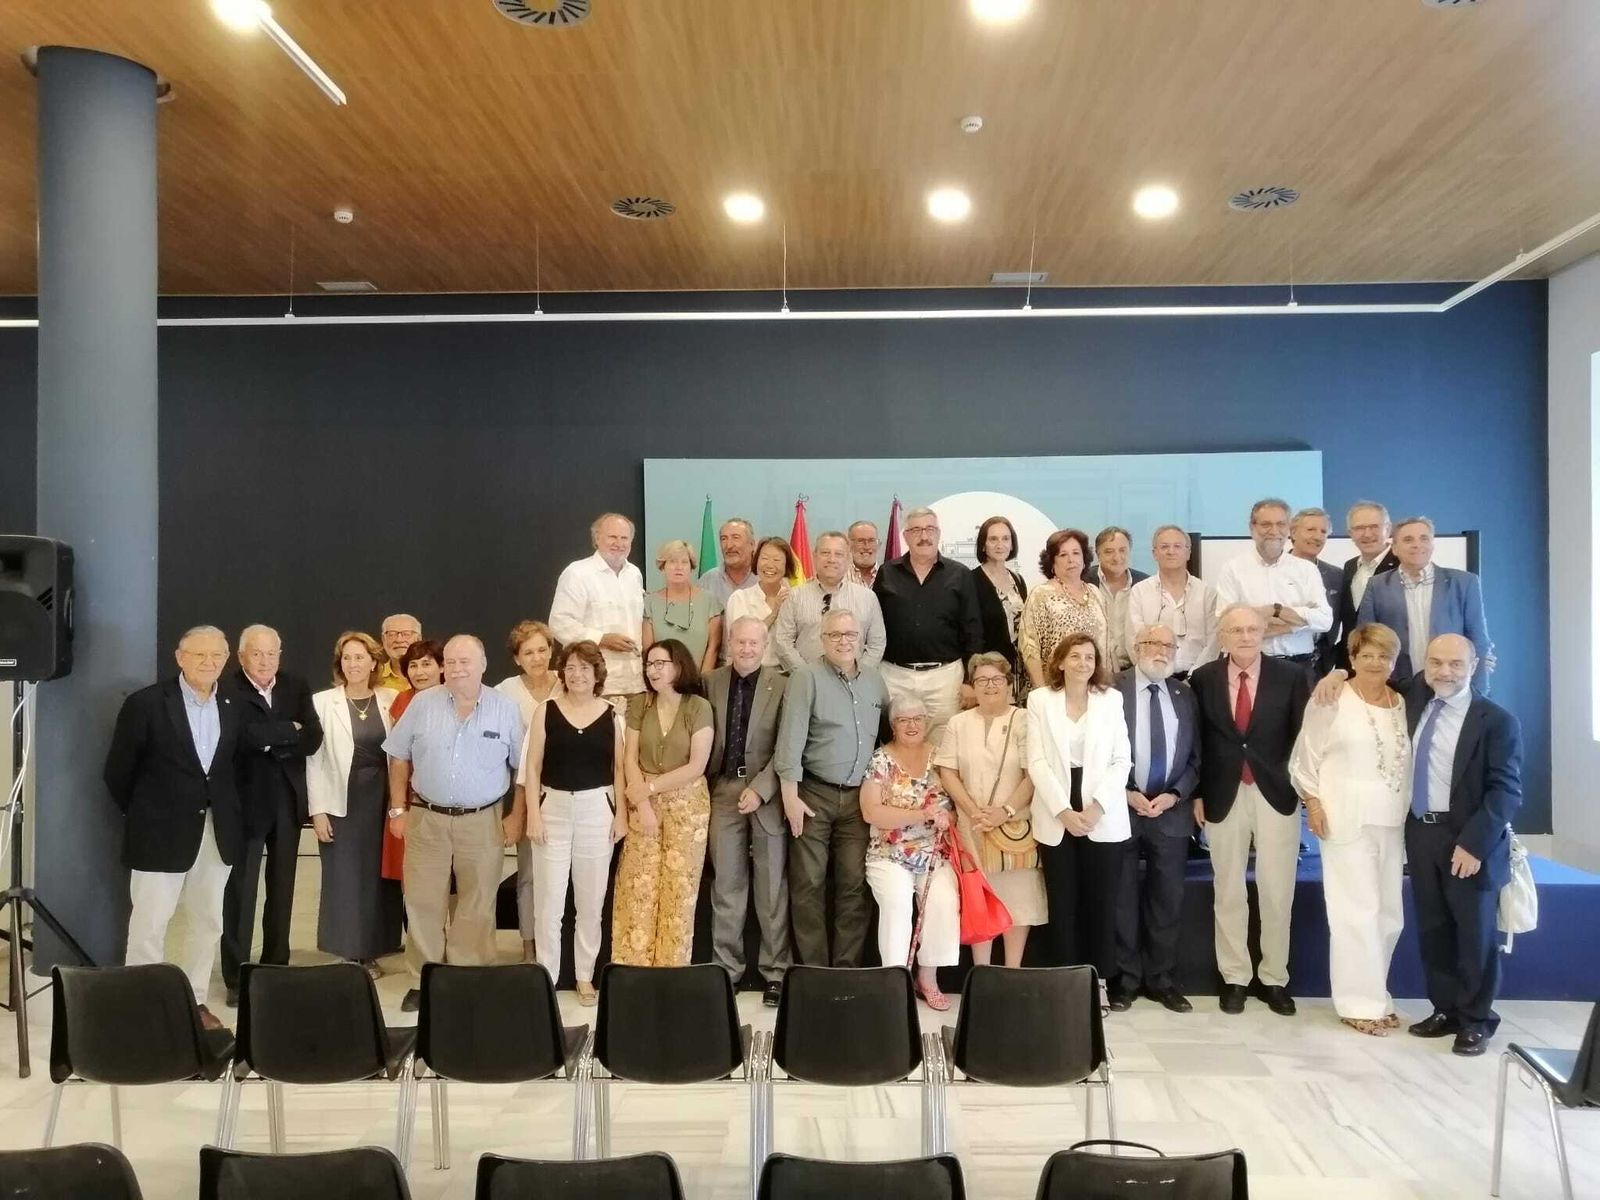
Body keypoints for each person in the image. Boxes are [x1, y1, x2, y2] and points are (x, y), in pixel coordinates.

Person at [1317, 632, 1523, 1056]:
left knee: (1474, 932)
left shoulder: (1497, 721)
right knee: (1433, 927)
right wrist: (1336, 672)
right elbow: (1368, 672)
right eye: (1436, 663)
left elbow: (1506, 791)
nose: (1444, 672)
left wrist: (1474, 844)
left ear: (1475, 666)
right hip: (1420, 832)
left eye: (1455, 664)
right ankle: (1445, 1008)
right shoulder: (1413, 697)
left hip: (1469, 839)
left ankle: (1476, 1020)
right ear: (1424, 665)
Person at [104, 625, 241, 1029]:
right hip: (158, 833)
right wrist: (148, 813)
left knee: (208, 921)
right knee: (150, 922)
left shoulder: (232, 704)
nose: (209, 662)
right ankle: (142, 1004)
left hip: (217, 834)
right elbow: (117, 772)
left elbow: (230, 770)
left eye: (217, 655)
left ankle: (195, 1001)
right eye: (200, 655)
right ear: (179, 657)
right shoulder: (146, 704)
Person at [384, 634, 526, 1012]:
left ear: (483, 664)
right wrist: (397, 810)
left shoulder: (505, 709)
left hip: (483, 820)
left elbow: (523, 770)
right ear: (443, 665)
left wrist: (517, 815)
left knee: (477, 902)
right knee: (421, 900)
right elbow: (397, 757)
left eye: (467, 661)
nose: (458, 668)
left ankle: (469, 975)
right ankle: (422, 978)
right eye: (451, 661)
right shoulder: (421, 705)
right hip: (426, 818)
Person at [1291, 623, 1411, 1035]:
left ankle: (1378, 994)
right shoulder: (1331, 696)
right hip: (1345, 816)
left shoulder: (1401, 701)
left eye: (1384, 656)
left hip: (1392, 820)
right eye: (1367, 655)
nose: (1376, 663)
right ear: (1352, 659)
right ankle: (1358, 1003)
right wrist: (1313, 801)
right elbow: (1305, 756)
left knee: (1389, 915)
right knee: (1353, 912)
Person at [1191, 604, 1310, 1016]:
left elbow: (1303, 738)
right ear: (1222, 636)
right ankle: (1236, 977)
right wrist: (1198, 793)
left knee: (1278, 890)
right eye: (1235, 630)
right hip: (1223, 794)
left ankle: (1274, 978)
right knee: (1228, 890)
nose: (1244, 636)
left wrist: (1302, 789)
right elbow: (1199, 741)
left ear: (1265, 633)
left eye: (1252, 629)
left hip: (1275, 792)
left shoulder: (1292, 677)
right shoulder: (1203, 679)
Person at [773, 608, 889, 967]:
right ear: (822, 640)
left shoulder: (874, 680)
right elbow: (790, 739)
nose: (843, 641)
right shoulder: (806, 677)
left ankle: (846, 970)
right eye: (835, 635)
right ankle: (813, 970)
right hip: (813, 796)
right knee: (809, 884)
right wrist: (789, 796)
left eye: (850, 635)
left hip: (858, 800)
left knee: (854, 885)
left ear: (860, 639)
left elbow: (886, 736)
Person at [221, 624, 323, 1009]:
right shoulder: (228, 687)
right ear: (242, 655)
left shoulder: (295, 684)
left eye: (272, 654)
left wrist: (269, 736)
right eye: (257, 654)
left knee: (282, 890)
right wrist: (286, 732)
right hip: (244, 803)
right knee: (240, 893)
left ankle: (276, 964)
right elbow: (237, 737)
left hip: (286, 800)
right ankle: (237, 973)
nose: (266, 661)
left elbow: (313, 736)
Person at [521, 640, 627, 1006]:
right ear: (562, 672)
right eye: (570, 667)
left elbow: (618, 771)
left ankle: (584, 975)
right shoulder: (545, 711)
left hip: (598, 811)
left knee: (590, 901)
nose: (576, 674)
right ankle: (546, 976)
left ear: (597, 673)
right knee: (549, 901)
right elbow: (532, 767)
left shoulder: (614, 714)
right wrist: (533, 813)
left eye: (584, 668)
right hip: (553, 810)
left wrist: (621, 816)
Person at [1026, 632, 1133, 987]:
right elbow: (1036, 761)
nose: (1083, 663)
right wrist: (1062, 811)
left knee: (1101, 901)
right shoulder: (1040, 700)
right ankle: (1065, 983)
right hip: (1056, 808)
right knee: (1064, 901)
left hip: (1101, 809)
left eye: (1089, 657)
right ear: (1059, 661)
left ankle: (1100, 983)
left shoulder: (1111, 700)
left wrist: (1097, 808)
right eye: (1075, 656)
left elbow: (1122, 760)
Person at [1110, 624, 1200, 1013]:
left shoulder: (1185, 695)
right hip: (1121, 809)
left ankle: (1161, 980)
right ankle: (1125, 980)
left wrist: (1175, 794)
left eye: (1168, 644)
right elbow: (1100, 751)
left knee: (1168, 900)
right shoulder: (1111, 689)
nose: (1160, 651)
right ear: (1136, 647)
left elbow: (1197, 757)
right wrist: (1125, 792)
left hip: (1170, 812)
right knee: (1122, 900)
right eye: (1152, 643)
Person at [934, 652, 1042, 968]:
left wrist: (1004, 811)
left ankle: (1012, 972)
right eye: (981, 680)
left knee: (1018, 903)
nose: (989, 685)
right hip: (972, 826)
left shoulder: (1023, 719)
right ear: (973, 685)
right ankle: (982, 974)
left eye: (996, 679)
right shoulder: (958, 722)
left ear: (1009, 684)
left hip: (1014, 823)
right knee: (978, 900)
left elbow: (1032, 773)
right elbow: (948, 772)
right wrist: (972, 810)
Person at [704, 617, 792, 1005]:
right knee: (727, 884)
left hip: (767, 792)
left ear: (765, 644)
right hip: (723, 791)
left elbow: (788, 746)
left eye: (754, 643)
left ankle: (775, 972)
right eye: (740, 641)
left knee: (771, 887)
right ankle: (727, 970)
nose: (747, 649)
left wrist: (759, 790)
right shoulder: (712, 682)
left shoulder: (784, 684)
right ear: (730, 643)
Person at [613, 638, 715, 966]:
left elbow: (696, 766)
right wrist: (642, 803)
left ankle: (671, 970)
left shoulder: (698, 707)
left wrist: (651, 788)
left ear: (679, 665)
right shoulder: (639, 703)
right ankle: (632, 969)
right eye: (649, 664)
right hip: (643, 802)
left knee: (679, 891)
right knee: (637, 885)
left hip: (687, 807)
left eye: (661, 663)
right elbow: (629, 758)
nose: (653, 670)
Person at [307, 632, 403, 974]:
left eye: (360, 657)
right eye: (347, 658)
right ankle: (349, 950)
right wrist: (317, 811)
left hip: (383, 799)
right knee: (345, 876)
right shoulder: (322, 702)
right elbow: (314, 760)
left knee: (380, 875)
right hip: (340, 800)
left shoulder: (391, 698)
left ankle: (378, 945)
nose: (353, 664)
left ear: (374, 661)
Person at [862, 696, 960, 1010]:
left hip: (934, 852)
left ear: (927, 722)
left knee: (944, 901)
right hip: (889, 852)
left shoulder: (941, 757)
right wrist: (921, 815)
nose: (912, 725)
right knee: (897, 902)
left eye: (917, 718)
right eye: (904, 720)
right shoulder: (881, 759)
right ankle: (894, 980)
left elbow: (957, 803)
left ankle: (927, 978)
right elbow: (870, 812)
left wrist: (948, 817)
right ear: (894, 727)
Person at [874, 505, 983, 741]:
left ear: (939, 533)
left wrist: (970, 681)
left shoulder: (960, 573)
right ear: (905, 536)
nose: (924, 536)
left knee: (944, 744)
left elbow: (973, 630)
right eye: (915, 530)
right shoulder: (887, 572)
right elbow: (874, 626)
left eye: (929, 529)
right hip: (895, 675)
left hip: (944, 677)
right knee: (895, 741)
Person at [1356, 516, 1492, 691]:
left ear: (1432, 545)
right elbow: (1365, 639)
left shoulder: (1464, 583)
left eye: (1424, 538)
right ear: (1395, 548)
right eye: (1408, 540)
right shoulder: (1377, 585)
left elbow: (1478, 640)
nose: (1417, 545)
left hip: (1450, 685)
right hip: (1396, 687)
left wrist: (1479, 691)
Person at [496, 620, 562, 962]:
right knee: (530, 873)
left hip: (566, 788)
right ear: (517, 659)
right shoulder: (505, 692)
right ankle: (529, 945)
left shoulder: (567, 684)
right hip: (523, 792)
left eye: (542, 650)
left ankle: (561, 946)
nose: (537, 658)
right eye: (528, 652)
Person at [1213, 498, 1332, 668]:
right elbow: (1228, 625)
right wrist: (1297, 623)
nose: (1274, 530)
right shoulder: (1232, 569)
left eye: (1281, 524)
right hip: (1250, 665)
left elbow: (1324, 620)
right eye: (1266, 524)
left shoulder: (1306, 569)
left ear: (1288, 529)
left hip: (1300, 665)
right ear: (1252, 528)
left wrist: (1274, 611)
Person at [550, 512, 646, 706]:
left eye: (624, 538)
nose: (619, 543)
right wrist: (601, 639)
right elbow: (559, 623)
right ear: (597, 539)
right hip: (598, 686)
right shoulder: (577, 574)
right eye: (612, 537)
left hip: (637, 685)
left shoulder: (634, 574)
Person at [774, 530, 886, 672]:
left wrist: (858, 676)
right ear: (814, 557)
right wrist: (806, 676)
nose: (831, 559)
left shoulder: (868, 598)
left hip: (855, 686)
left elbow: (877, 643)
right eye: (825, 553)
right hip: (806, 683)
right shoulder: (795, 597)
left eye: (838, 554)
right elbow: (783, 641)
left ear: (848, 559)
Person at [381, 639, 444, 883]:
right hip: (409, 794)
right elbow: (397, 756)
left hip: (448, 795)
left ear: (441, 667)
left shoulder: (457, 697)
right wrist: (399, 808)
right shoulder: (402, 701)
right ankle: (419, 923)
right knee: (412, 870)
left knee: (449, 874)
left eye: (426, 664)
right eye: (413, 666)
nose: (419, 672)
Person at [1020, 528, 1107, 694]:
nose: (1071, 560)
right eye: (1063, 555)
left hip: (1092, 688)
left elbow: (1105, 644)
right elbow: (1029, 646)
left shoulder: (1095, 593)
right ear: (1052, 562)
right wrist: (1042, 692)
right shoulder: (1041, 594)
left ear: (1084, 558)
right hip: (1054, 688)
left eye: (1076, 553)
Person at [1126, 525, 1218, 678]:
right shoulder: (1140, 591)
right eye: (1164, 547)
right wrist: (1151, 675)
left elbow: (1214, 642)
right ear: (1154, 553)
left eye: (1177, 546)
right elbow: (1133, 640)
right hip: (1152, 678)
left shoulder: (1207, 593)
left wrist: (1195, 677)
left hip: (1199, 678)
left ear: (1188, 552)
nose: (1171, 551)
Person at [643, 539, 723, 677]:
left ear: (691, 567)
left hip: (699, 683)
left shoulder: (709, 601)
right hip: (661, 683)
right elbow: (648, 651)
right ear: (663, 566)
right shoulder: (650, 603)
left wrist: (702, 683)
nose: (678, 567)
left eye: (684, 562)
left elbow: (713, 647)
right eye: (672, 561)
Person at [1336, 501, 1398, 671]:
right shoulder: (1349, 567)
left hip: (1390, 665)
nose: (1367, 534)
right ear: (1350, 533)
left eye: (1374, 527)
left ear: (1388, 528)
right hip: (1353, 666)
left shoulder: (1403, 565)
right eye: (1359, 528)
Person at [969, 516, 1028, 690]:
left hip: (1021, 670)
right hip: (991, 674)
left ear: (1012, 544)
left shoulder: (1017, 579)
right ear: (983, 545)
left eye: (1005, 539)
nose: (1000, 544)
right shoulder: (971, 580)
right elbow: (970, 632)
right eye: (993, 539)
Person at [723, 536, 796, 668]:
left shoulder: (794, 598)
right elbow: (744, 638)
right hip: (749, 674)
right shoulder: (740, 598)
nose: (770, 565)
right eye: (765, 558)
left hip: (788, 674)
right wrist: (774, 613)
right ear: (756, 561)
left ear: (786, 566)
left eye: (777, 560)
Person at [1289, 507, 1344, 677]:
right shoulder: (1275, 570)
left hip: (1320, 666)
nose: (1317, 536)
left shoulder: (1337, 575)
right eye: (1310, 530)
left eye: (1323, 531)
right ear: (1293, 532)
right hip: (1282, 662)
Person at [1085, 526, 1147, 673]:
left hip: (1135, 670)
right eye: (1109, 551)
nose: (1117, 557)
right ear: (1098, 554)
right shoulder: (1084, 581)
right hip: (1094, 670)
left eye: (1122, 550)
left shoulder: (1145, 584)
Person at [699, 518, 759, 642]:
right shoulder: (707, 580)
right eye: (723, 539)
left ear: (752, 544)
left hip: (758, 659)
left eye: (735, 538)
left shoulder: (763, 580)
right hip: (717, 659)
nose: (729, 545)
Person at [377, 613, 423, 692]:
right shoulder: (374, 677)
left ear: (418, 639)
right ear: (383, 640)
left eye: (406, 634)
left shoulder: (432, 675)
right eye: (392, 634)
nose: (399, 640)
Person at [846, 520, 880, 588]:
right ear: (849, 545)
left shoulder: (890, 576)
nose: (867, 547)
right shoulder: (840, 578)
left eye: (871, 540)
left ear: (878, 544)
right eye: (860, 541)